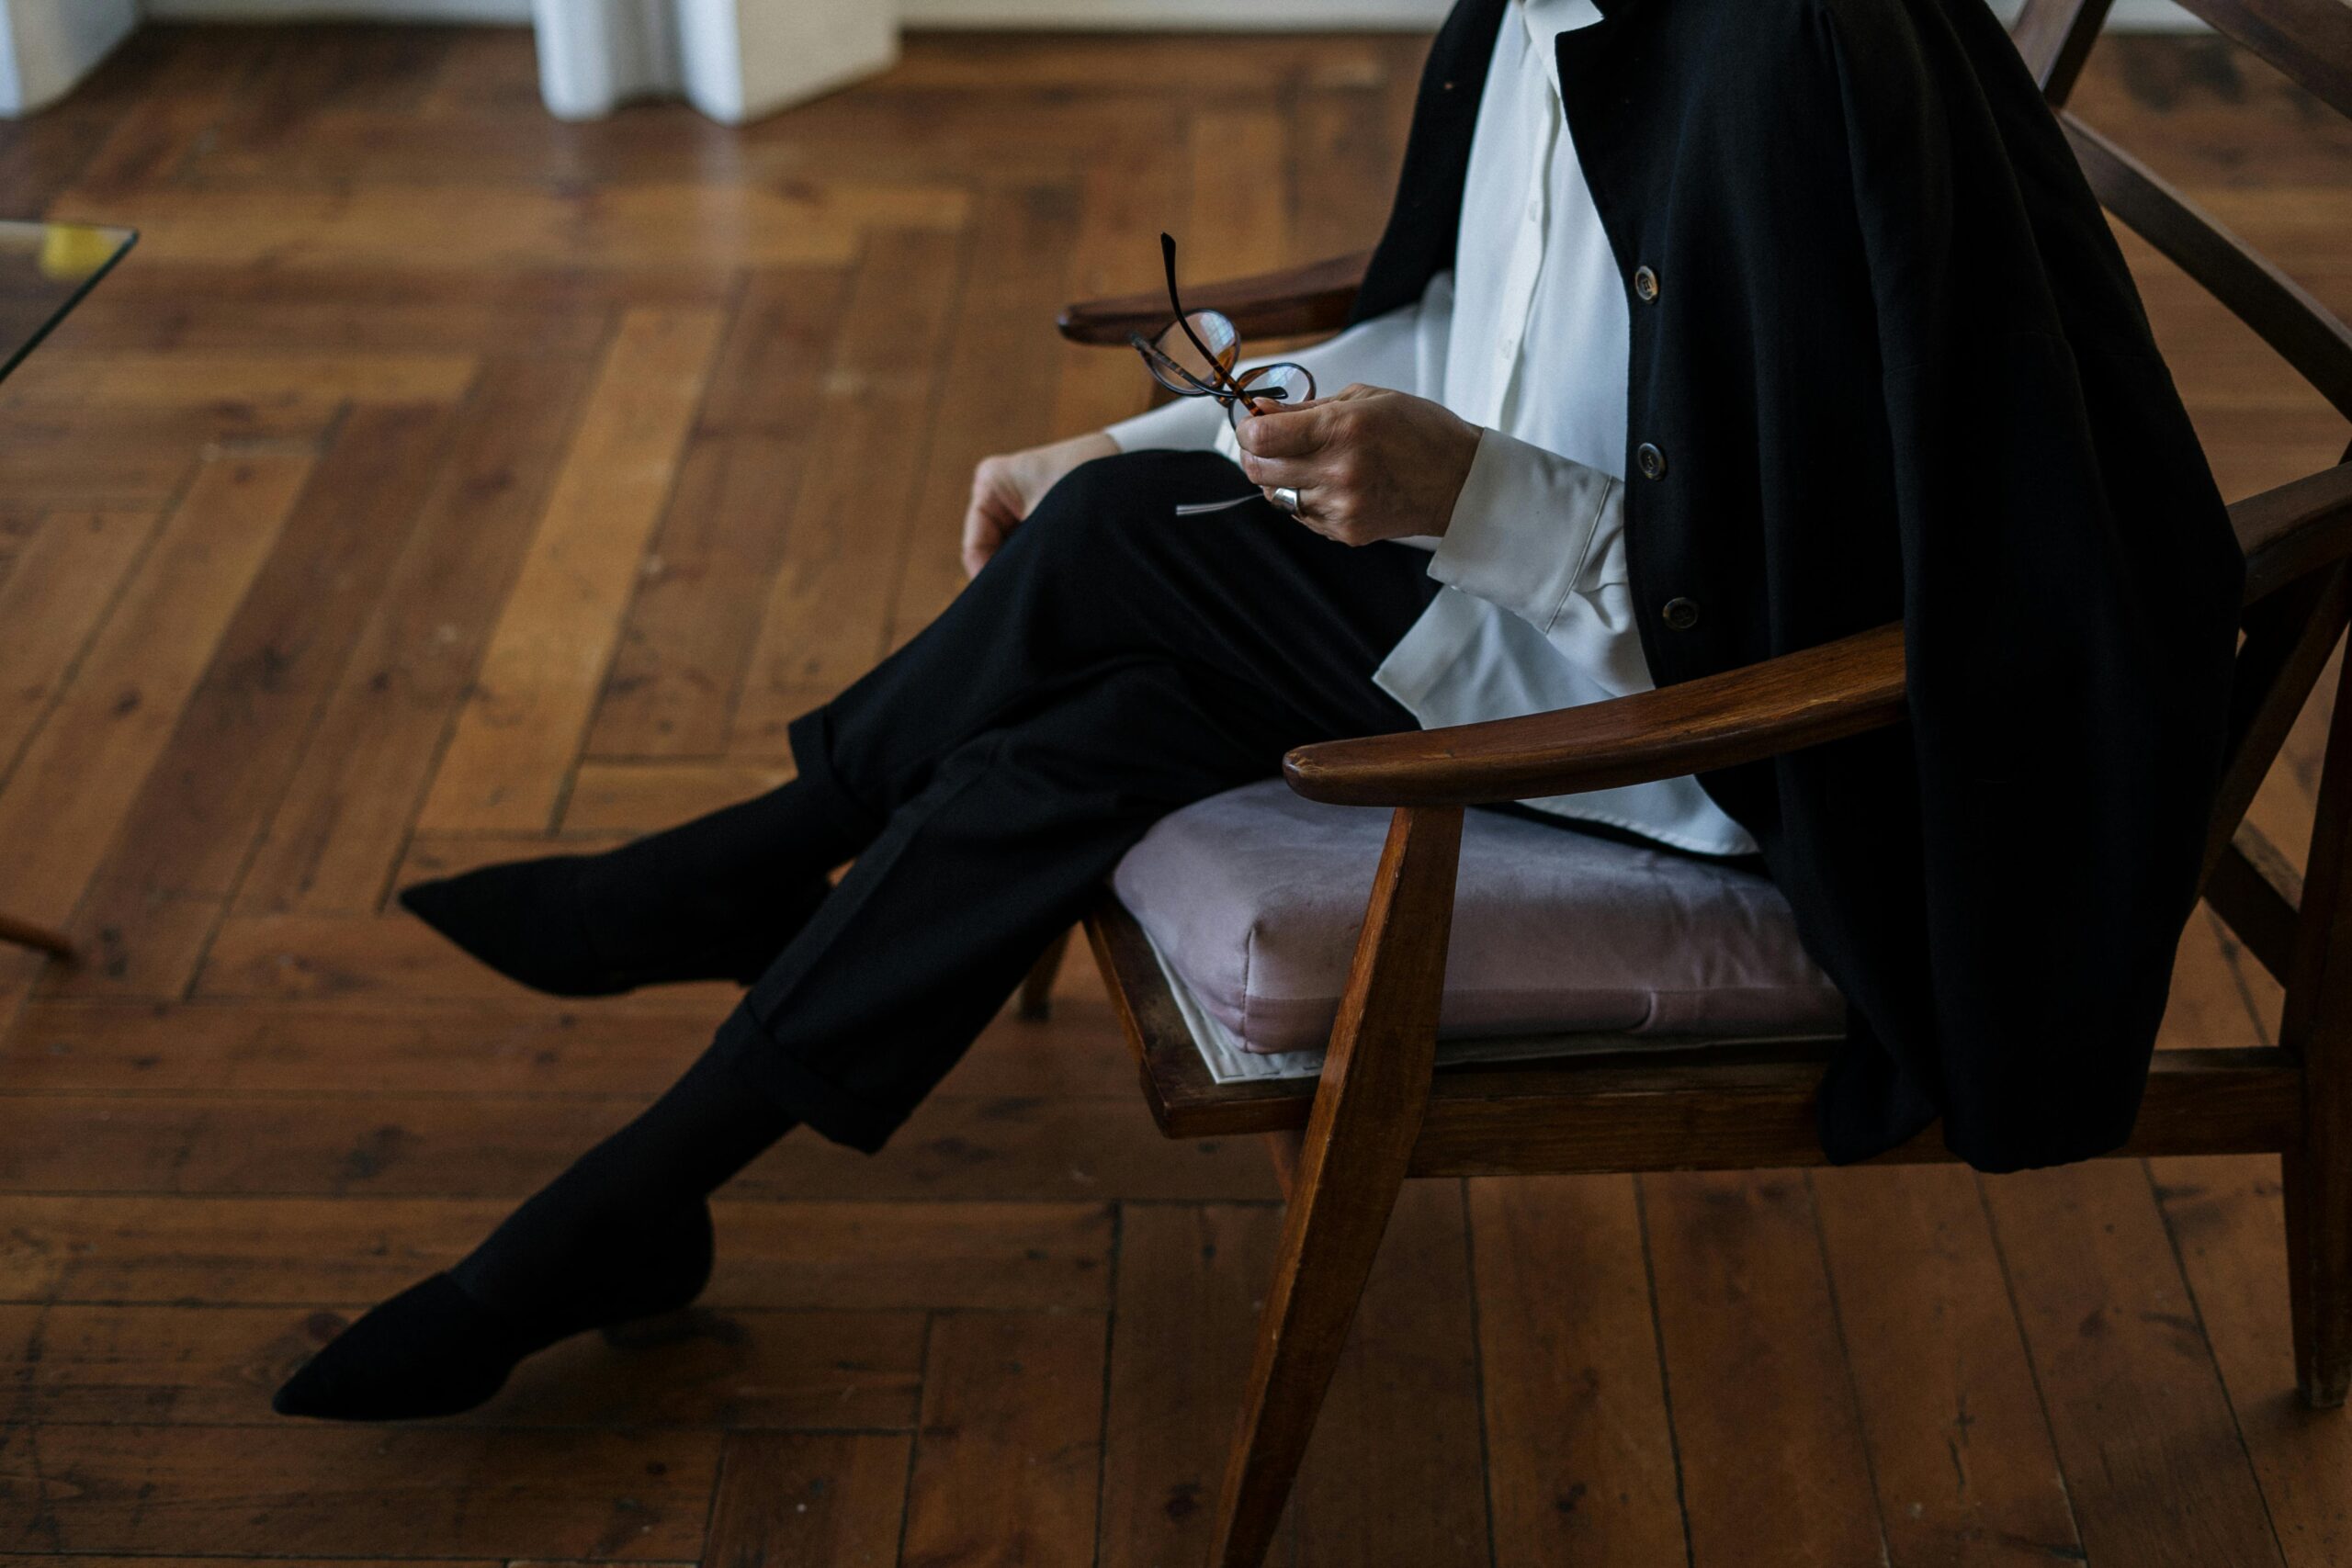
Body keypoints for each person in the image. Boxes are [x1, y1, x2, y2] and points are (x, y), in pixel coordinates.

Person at [272, 0, 2243, 1421]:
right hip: (1523, 599)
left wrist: (1451, 491)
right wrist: (1118, 429)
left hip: (1719, 722)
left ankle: (740, 870)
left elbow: (1847, 573)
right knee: (1085, 721)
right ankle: (644, 1191)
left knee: (1133, 559)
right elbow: (1450, 315)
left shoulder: (1790, 54)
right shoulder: (1554, 15)